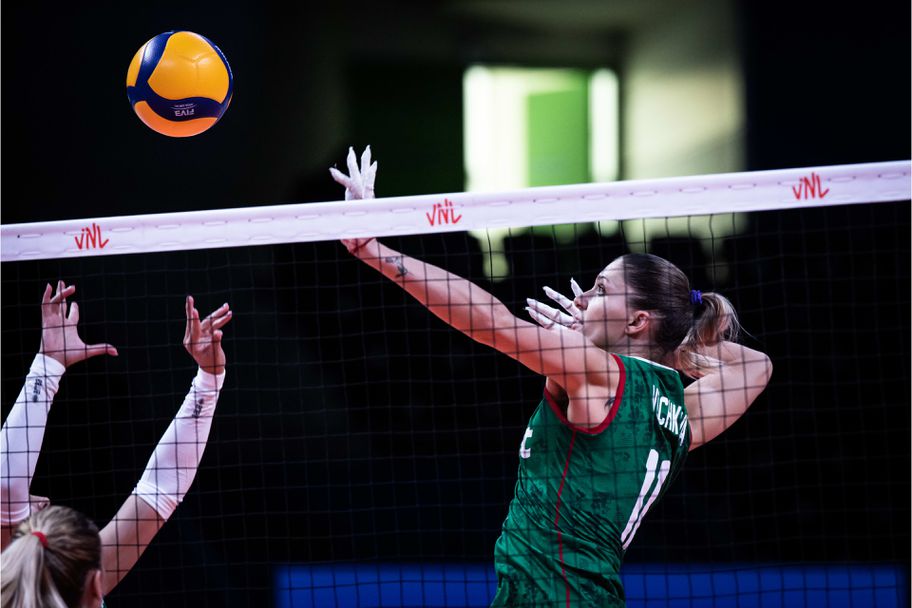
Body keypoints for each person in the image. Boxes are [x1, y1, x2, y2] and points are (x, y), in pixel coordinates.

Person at [331, 147, 773, 606]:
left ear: (637, 320)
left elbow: (492, 323)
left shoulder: (597, 372)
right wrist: (670, 340)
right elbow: (757, 366)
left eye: (600, 290)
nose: (582, 299)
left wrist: (372, 250)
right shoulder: (678, 412)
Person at [0, 281, 232, 606]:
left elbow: (7, 488)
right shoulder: (78, 582)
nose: (42, 500)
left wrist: (47, 366)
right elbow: (160, 489)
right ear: (96, 585)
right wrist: (209, 380)